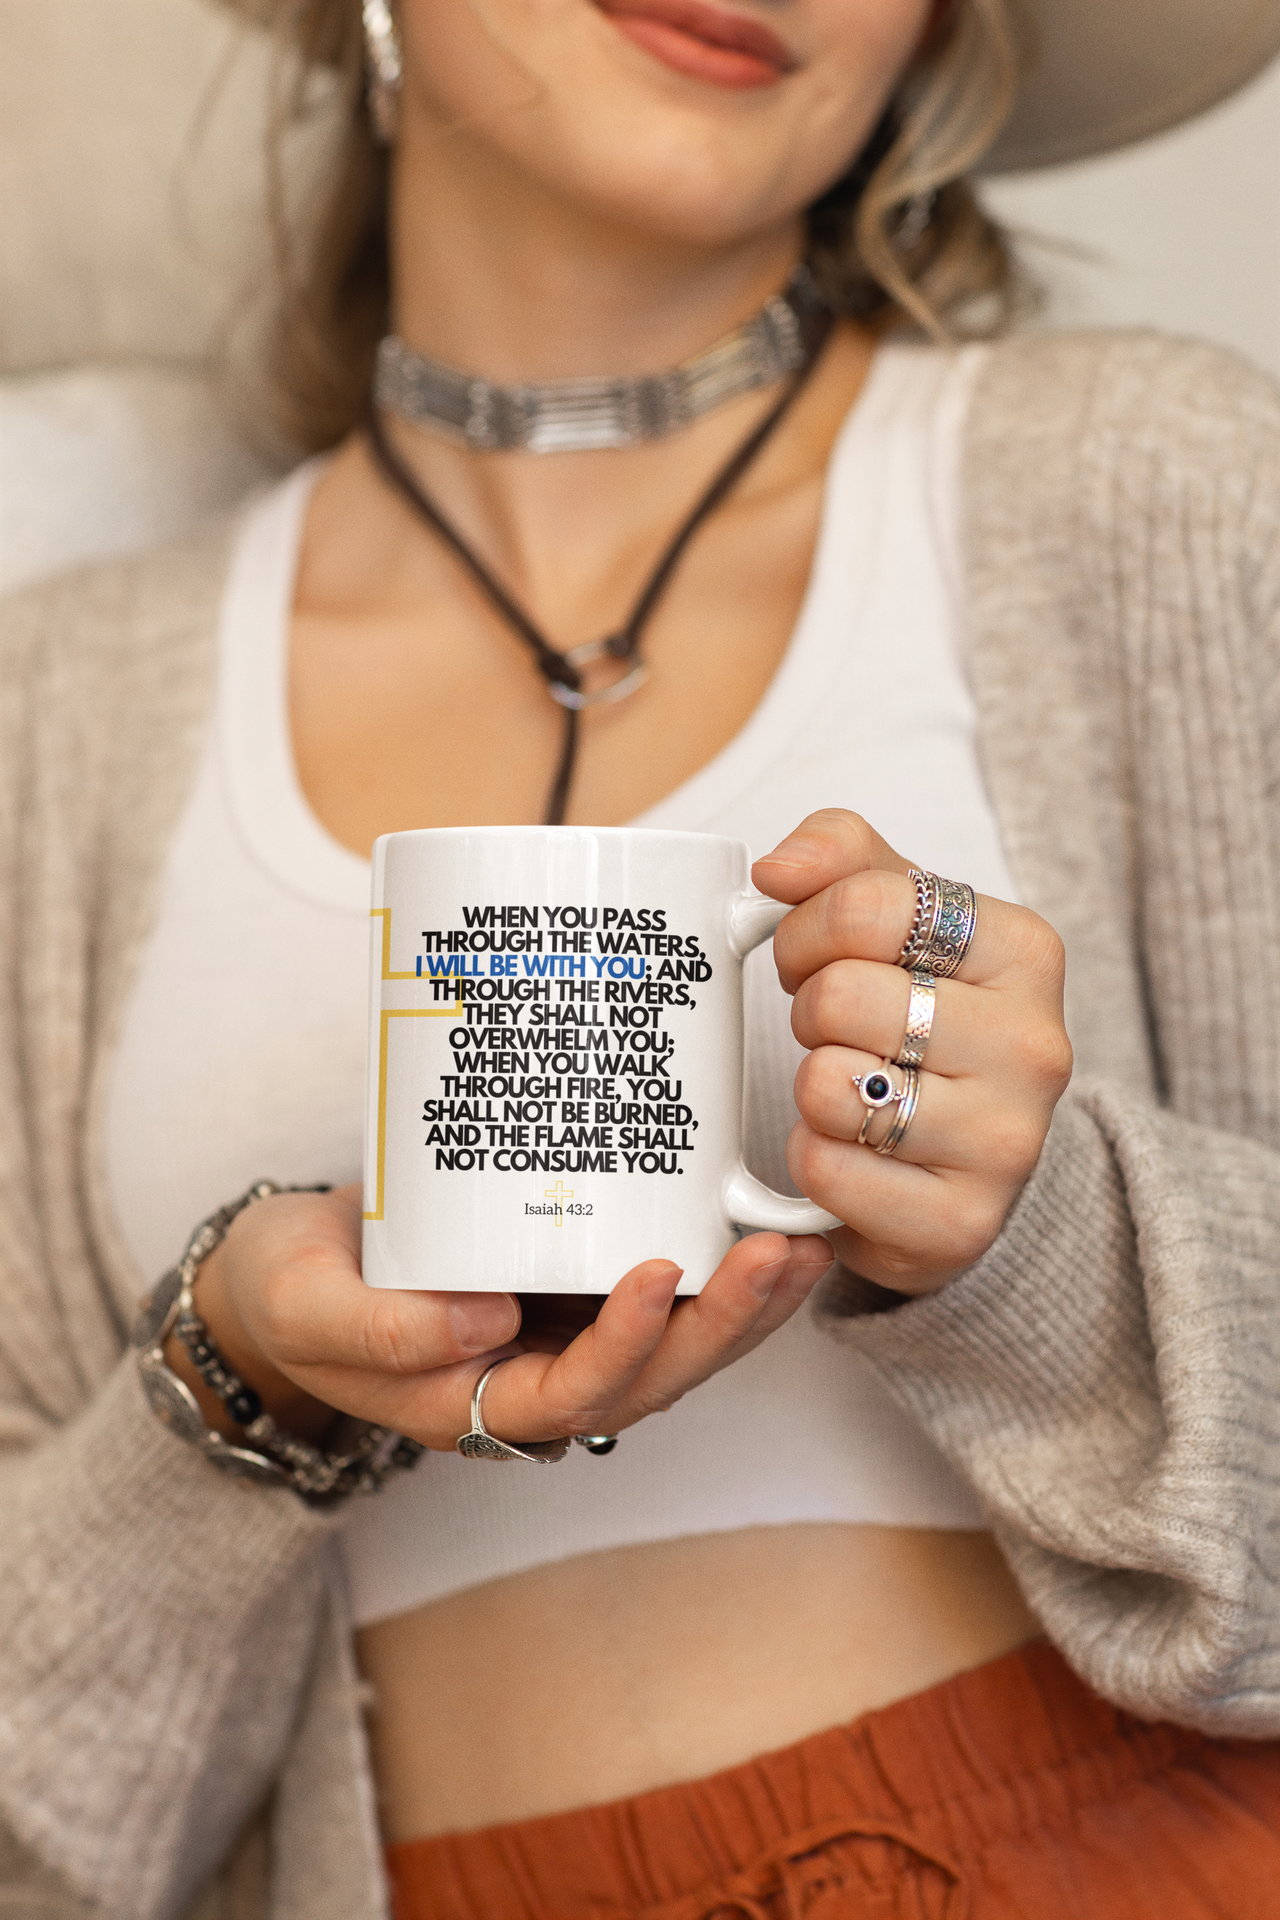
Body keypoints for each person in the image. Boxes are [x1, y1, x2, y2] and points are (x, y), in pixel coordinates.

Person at [3, 0, 1280, 1914]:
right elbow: (45, 1830)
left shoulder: (1158, 488)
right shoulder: (55, 720)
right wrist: (240, 1383)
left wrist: (1046, 1250)